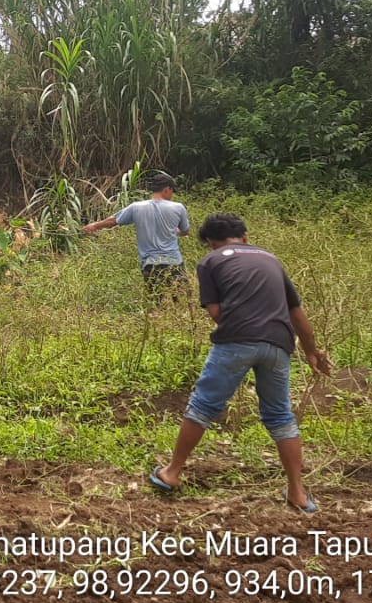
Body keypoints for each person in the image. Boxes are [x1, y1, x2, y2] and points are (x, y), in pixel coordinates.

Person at [149, 213, 333, 511]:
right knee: (279, 415)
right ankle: (298, 494)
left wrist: (240, 325)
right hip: (278, 343)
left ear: (210, 243)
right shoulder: (271, 259)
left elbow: (215, 312)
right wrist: (311, 351)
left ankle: (171, 473)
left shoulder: (210, 262)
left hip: (236, 340)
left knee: (204, 406)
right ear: (245, 236)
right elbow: (296, 311)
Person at [83, 172, 190, 295]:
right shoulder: (178, 208)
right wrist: (175, 232)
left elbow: (113, 221)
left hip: (150, 264)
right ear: (167, 189)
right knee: (182, 301)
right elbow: (185, 231)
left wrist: (94, 226)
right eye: (172, 191)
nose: (172, 195)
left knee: (155, 303)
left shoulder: (136, 207)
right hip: (174, 262)